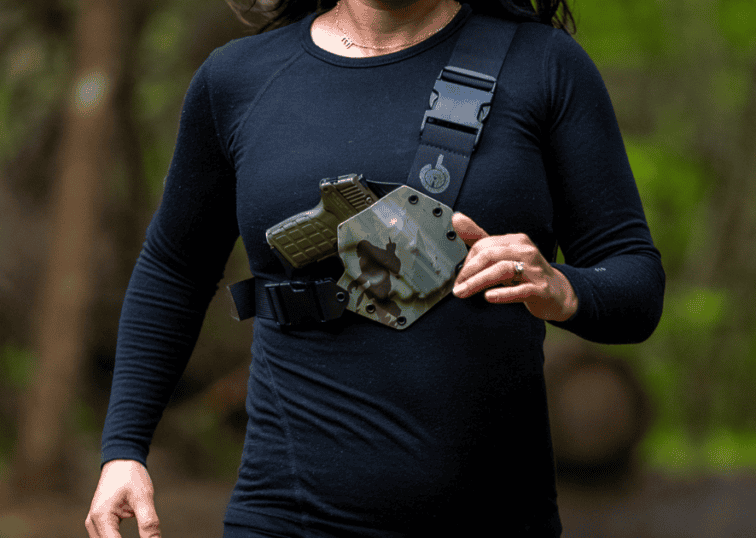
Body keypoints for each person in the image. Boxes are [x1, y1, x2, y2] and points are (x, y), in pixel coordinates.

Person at [85, 0, 665, 536]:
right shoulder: (238, 79)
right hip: (287, 516)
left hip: (495, 517)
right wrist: (124, 450)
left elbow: (637, 281)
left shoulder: (542, 65)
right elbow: (173, 272)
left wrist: (563, 287)